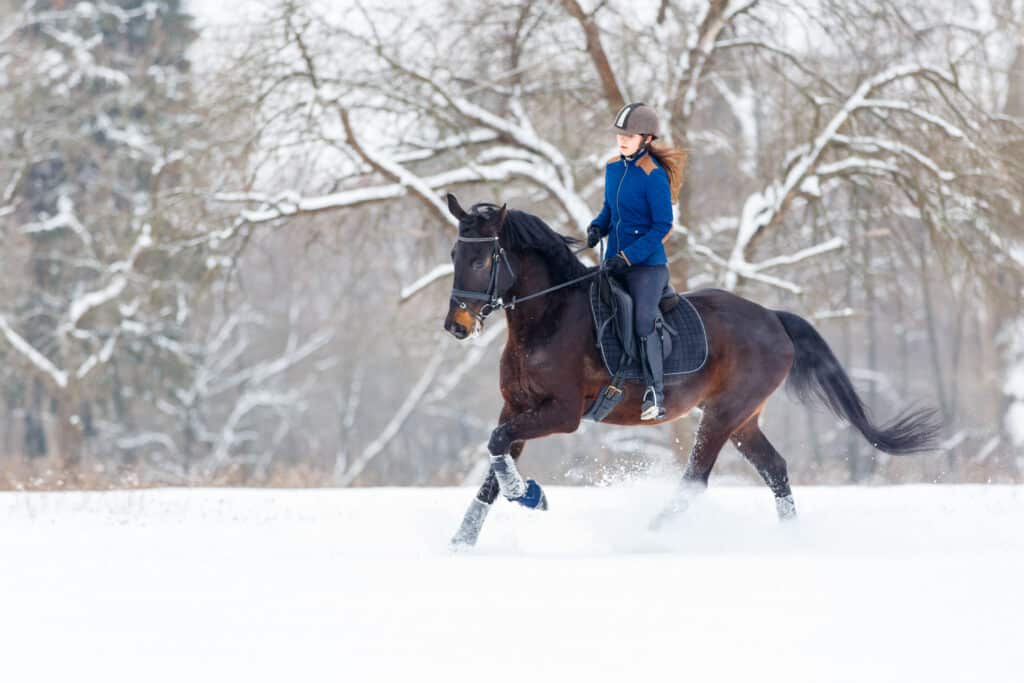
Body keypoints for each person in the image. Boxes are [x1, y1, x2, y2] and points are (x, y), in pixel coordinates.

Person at [586, 102, 686, 420]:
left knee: (643, 321)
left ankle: (654, 393)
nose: (622, 140)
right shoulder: (614, 167)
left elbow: (662, 226)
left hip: (647, 267)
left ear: (646, 139)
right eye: (620, 135)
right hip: (614, 260)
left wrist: (628, 256)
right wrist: (597, 226)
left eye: (629, 135)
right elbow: (609, 209)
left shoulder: (653, 176)